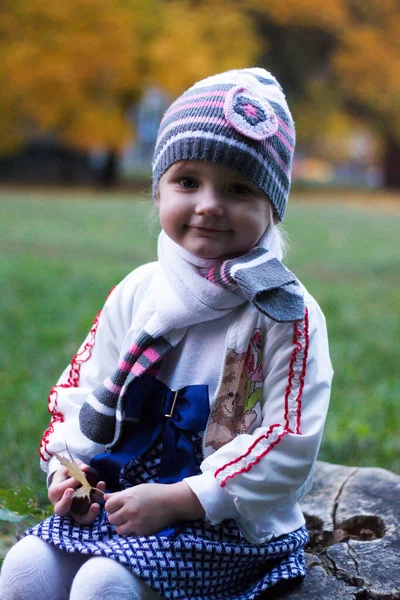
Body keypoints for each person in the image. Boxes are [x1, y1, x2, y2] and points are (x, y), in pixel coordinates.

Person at [0, 67, 333, 600]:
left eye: (239, 188)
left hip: (222, 519)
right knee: (25, 570)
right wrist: (68, 468)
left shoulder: (284, 312)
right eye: (187, 181)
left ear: (271, 206)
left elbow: (288, 442)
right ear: (158, 190)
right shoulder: (140, 291)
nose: (208, 204)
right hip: (120, 493)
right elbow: (79, 388)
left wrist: (185, 499)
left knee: (104, 585)